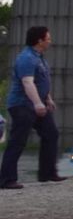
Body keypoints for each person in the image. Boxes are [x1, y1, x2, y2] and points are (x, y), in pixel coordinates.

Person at [1, 26, 66, 189]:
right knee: (18, 140)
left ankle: (47, 173)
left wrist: (48, 99)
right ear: (40, 40)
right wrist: (37, 103)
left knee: (51, 134)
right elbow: (28, 82)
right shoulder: (27, 58)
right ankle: (6, 179)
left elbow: (41, 81)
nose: (50, 41)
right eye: (48, 38)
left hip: (37, 103)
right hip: (22, 104)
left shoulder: (40, 58)